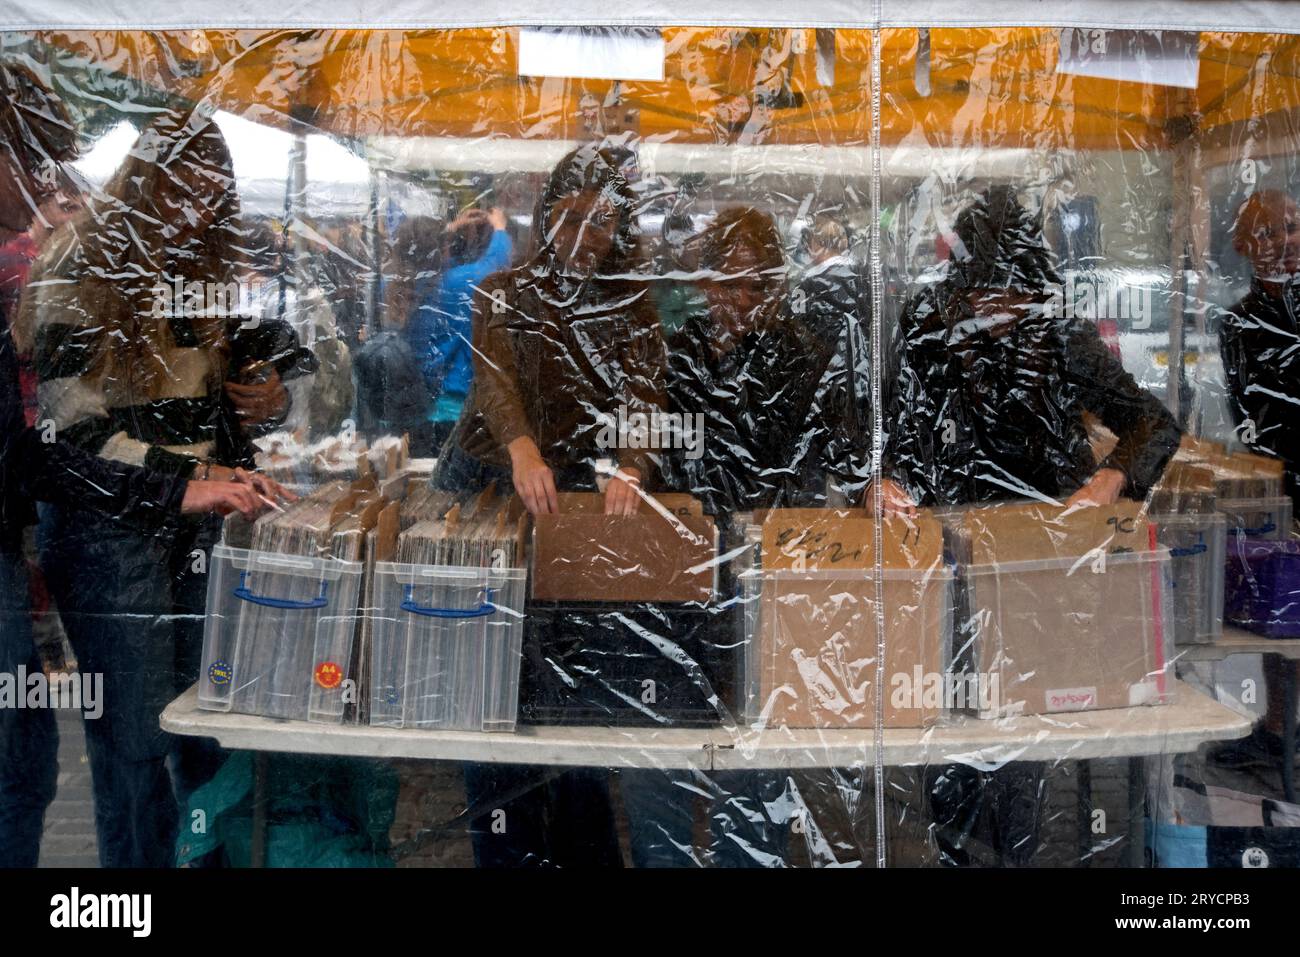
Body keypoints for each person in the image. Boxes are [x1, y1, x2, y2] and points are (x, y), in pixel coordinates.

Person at [0, 62, 278, 868]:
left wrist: (262, 402)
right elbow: (69, 432)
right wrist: (184, 482)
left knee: (205, 718)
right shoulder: (79, 264)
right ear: (145, 181)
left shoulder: (204, 271)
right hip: (108, 525)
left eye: (212, 193)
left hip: (195, 518)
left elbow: (220, 396)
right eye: (181, 188)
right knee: (132, 740)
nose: (197, 211)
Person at [878, 185, 1181, 865]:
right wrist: (881, 479)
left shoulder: (1059, 333)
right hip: (943, 571)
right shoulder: (928, 328)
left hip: (1033, 575)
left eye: (1012, 300)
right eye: (984, 299)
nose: (997, 315)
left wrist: (1111, 476)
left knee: (1020, 756)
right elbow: (883, 431)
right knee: (947, 749)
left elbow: (1154, 421)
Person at [433, 143, 667, 867]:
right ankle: (507, 853)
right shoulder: (500, 290)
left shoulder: (634, 303)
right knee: (492, 681)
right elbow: (496, 379)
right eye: (571, 217)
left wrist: (632, 463)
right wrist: (522, 446)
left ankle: (587, 849)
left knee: (577, 684)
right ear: (547, 215)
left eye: (601, 222)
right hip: (490, 481)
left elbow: (646, 395)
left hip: (573, 497)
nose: (583, 237)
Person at [1214, 189, 1300, 767]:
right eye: (1270, 233)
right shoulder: (1239, 323)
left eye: (1293, 228)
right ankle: (1276, 730)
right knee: (1282, 610)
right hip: (1282, 477)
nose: (1285, 242)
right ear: (1245, 247)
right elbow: (1251, 411)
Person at [407, 207, 512, 455]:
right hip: (462, 408)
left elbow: (430, 257)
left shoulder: (427, 280)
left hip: (429, 405)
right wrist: (500, 230)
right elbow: (492, 269)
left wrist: (450, 230)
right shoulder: (463, 280)